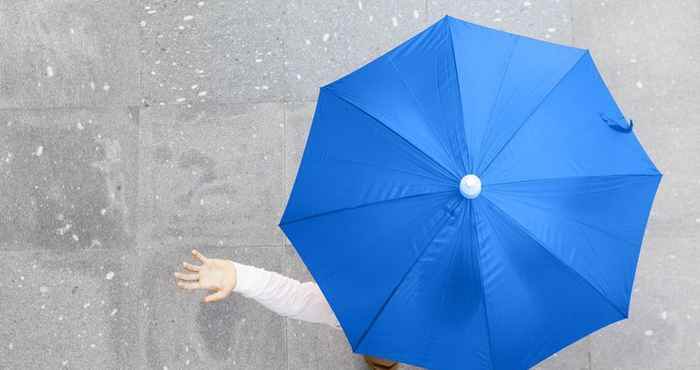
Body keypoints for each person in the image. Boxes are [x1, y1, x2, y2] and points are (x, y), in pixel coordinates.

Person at [174, 249, 399, 370]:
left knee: (381, 346)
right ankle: (383, 363)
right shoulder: (366, 305)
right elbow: (297, 298)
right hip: (379, 326)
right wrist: (241, 276)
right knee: (381, 350)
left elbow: (298, 299)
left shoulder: (370, 304)